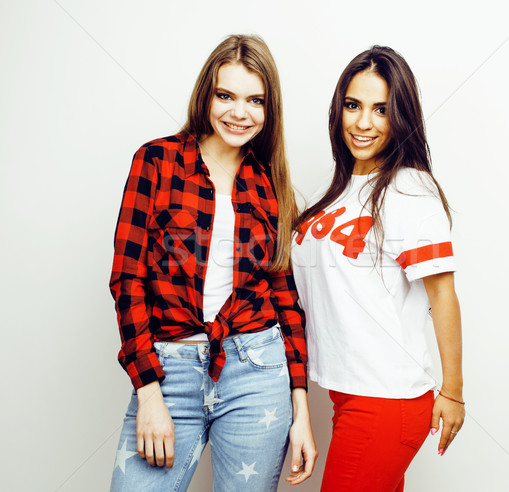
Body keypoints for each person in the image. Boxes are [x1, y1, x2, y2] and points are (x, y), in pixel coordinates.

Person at [109, 34, 317, 492]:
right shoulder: (157, 161)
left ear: (269, 109)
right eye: (226, 95)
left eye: (254, 100)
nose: (238, 113)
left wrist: (301, 414)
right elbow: (128, 279)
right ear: (207, 95)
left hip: (257, 371)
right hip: (169, 369)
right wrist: (148, 393)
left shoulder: (270, 187)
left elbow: (286, 303)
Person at [291, 46, 465, 491]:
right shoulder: (336, 192)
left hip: (387, 398)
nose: (363, 122)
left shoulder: (410, 189)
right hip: (347, 393)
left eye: (380, 109)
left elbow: (442, 294)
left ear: (400, 116)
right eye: (353, 105)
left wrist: (453, 392)